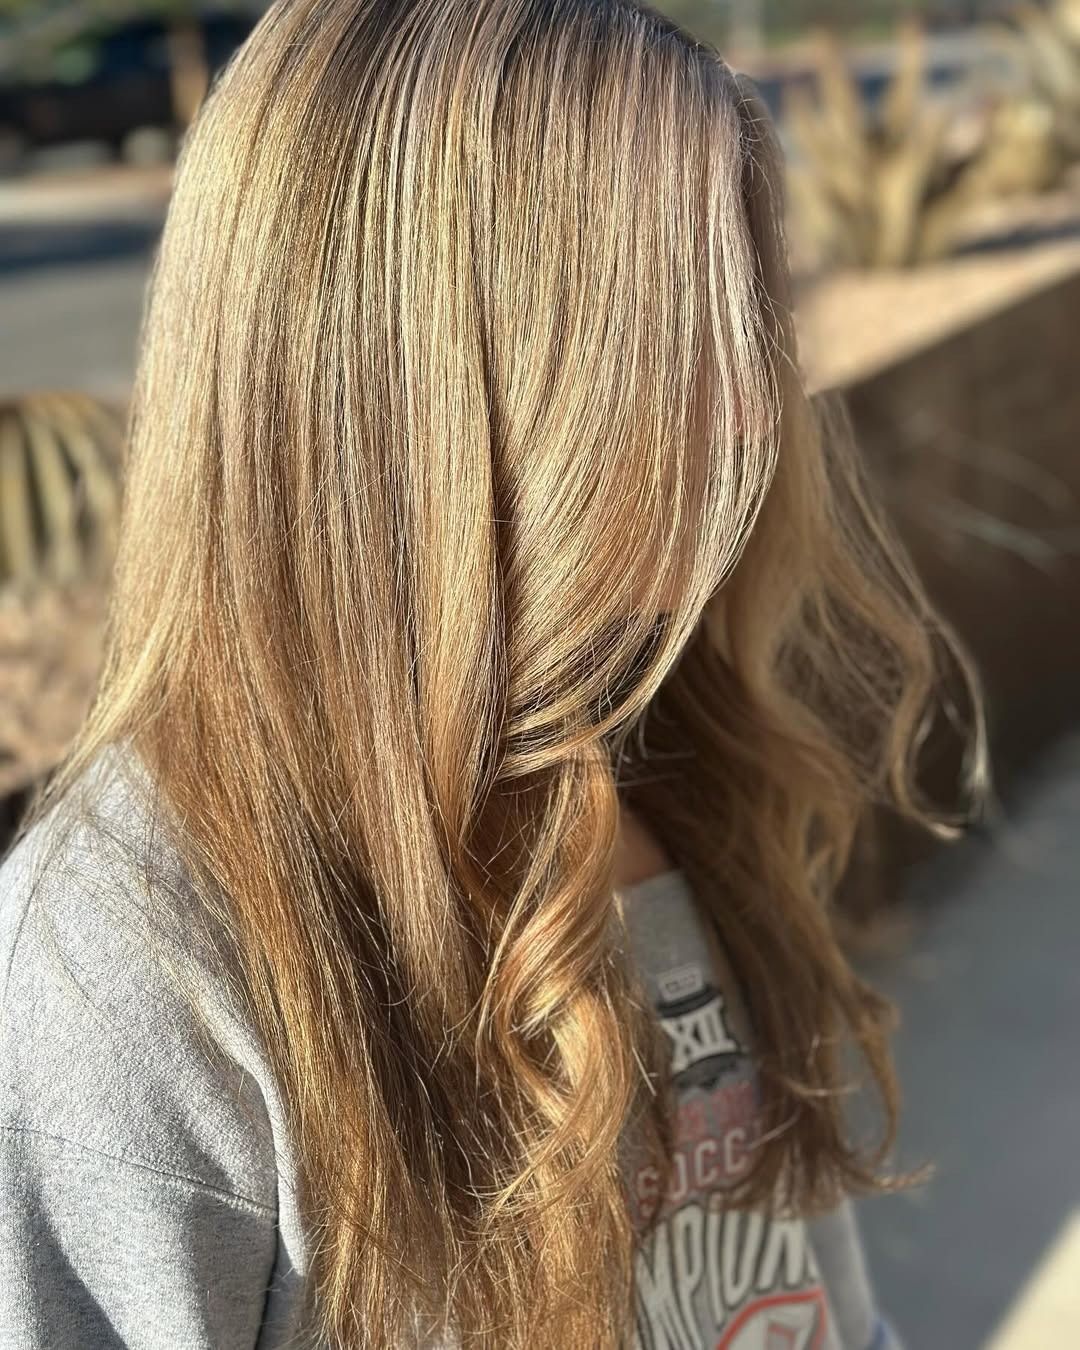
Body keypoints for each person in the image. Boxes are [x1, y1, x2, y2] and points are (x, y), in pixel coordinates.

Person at [0, 0, 986, 1347]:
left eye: (751, 320)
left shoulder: (655, 745)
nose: (757, 411)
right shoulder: (120, 965)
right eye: (666, 335)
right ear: (410, 371)